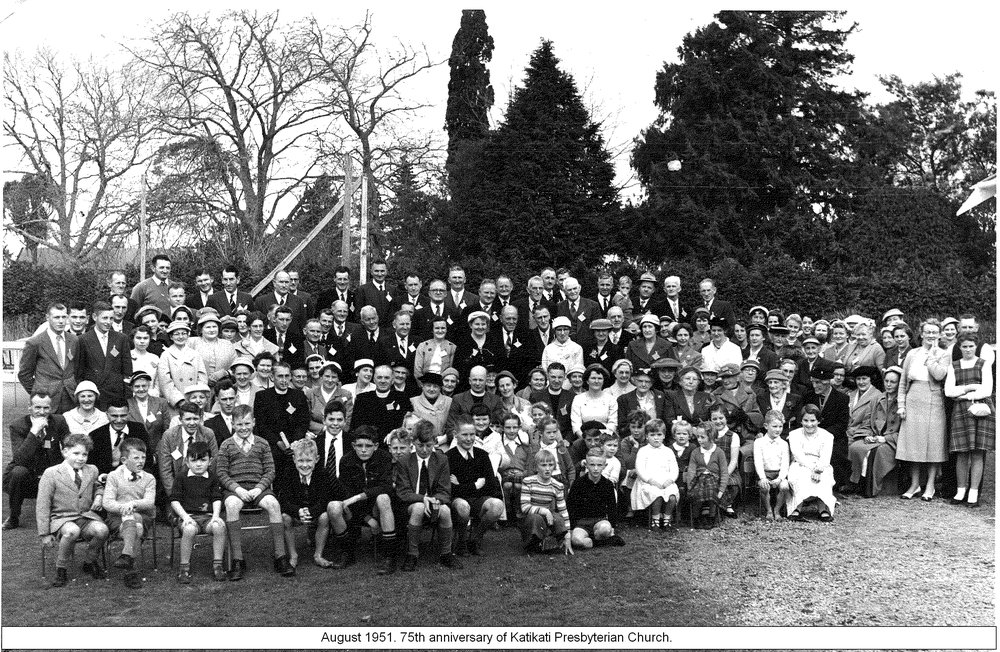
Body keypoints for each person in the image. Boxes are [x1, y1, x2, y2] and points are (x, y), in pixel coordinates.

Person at [216, 404, 295, 579]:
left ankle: (280, 556)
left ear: (253, 422)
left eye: (247, 424)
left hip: (259, 487)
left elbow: (270, 471)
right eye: (239, 424)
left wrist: (259, 487)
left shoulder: (262, 443)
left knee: (274, 505)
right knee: (231, 505)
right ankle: (238, 559)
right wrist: (237, 489)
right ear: (233, 424)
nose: (243, 428)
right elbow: (221, 473)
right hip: (236, 489)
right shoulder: (226, 445)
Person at [36, 432, 110, 586]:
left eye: (85, 454)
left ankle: (90, 561)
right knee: (72, 531)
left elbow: (98, 487)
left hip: (85, 516)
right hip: (62, 518)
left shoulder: (92, 470)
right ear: (64, 452)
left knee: (102, 530)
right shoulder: (51, 473)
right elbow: (43, 504)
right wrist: (44, 533)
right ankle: (61, 568)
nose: (81, 458)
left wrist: (98, 496)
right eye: (76, 453)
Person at [329, 425, 398, 574]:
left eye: (368, 446)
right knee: (333, 507)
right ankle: (347, 553)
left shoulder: (384, 457)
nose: (364, 450)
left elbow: (386, 487)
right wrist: (366, 518)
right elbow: (346, 494)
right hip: (355, 510)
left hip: (378, 507)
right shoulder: (346, 461)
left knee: (383, 498)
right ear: (353, 445)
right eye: (359, 446)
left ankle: (389, 556)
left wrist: (360, 496)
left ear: (376, 446)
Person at [395, 420, 462, 571]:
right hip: (411, 505)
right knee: (419, 508)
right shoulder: (405, 461)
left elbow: (445, 491)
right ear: (413, 443)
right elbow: (403, 493)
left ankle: (446, 553)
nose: (424, 450)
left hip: (435, 502)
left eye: (429, 446)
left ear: (434, 443)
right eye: (420, 445)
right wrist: (422, 499)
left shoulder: (442, 460)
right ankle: (412, 554)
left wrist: (432, 501)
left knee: (444, 510)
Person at [896, 319, 950, 501]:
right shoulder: (912, 353)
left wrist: (932, 356)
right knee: (914, 444)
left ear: (939, 334)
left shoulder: (943, 354)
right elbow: (903, 382)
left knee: (933, 444)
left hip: (933, 400)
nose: (931, 335)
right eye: (928, 332)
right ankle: (915, 484)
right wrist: (901, 405)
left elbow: (939, 375)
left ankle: (931, 486)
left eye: (935, 332)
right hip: (913, 399)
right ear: (922, 334)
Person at [3, 391, 70, 530]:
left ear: (51, 408)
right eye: (37, 407)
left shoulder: (59, 421)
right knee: (18, 472)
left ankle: (62, 515)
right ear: (29, 407)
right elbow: (20, 458)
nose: (42, 411)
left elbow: (68, 445)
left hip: (50, 473)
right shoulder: (18, 425)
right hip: (27, 476)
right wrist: (34, 431)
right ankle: (14, 516)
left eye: (46, 408)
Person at [945, 334, 995, 508]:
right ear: (960, 347)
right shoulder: (954, 366)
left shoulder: (984, 363)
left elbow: (987, 390)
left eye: (971, 346)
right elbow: (949, 391)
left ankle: (973, 494)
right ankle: (960, 491)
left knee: (977, 452)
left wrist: (965, 395)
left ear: (976, 346)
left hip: (981, 410)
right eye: (964, 347)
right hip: (961, 411)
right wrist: (971, 387)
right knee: (961, 452)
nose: (968, 350)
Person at [278, 438, 345, 569]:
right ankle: (293, 555)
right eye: (300, 461)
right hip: (297, 512)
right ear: (294, 460)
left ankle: (318, 555)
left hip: (315, 511)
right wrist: (298, 511)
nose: (304, 465)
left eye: (309, 460)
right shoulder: (287, 473)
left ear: (317, 459)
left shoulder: (323, 474)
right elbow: (284, 501)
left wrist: (311, 512)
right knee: (285, 518)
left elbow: (325, 499)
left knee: (325, 516)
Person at [169, 441, 228, 583]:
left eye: (203, 460)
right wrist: (185, 517)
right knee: (189, 530)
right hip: (188, 517)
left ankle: (218, 566)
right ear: (187, 462)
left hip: (207, 517)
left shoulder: (213, 477)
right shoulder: (181, 477)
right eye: (194, 460)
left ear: (210, 461)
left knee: (219, 526)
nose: (199, 464)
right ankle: (184, 568)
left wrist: (215, 516)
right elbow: (174, 500)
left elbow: (216, 498)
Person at [101, 437, 155, 589]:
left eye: (143, 457)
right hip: (117, 519)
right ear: (124, 460)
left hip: (142, 517)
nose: (141, 461)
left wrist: (133, 504)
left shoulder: (149, 478)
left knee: (136, 520)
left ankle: (126, 556)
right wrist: (123, 508)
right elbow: (108, 503)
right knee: (136, 527)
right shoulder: (113, 476)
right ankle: (131, 570)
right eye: (136, 458)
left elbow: (149, 502)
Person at [447, 419, 504, 556]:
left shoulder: (482, 455)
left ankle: (475, 538)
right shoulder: (448, 457)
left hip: (479, 500)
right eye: (465, 435)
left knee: (497, 506)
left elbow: (491, 485)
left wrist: (461, 485)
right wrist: (476, 485)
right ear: (456, 434)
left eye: (472, 435)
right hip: (457, 500)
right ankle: (461, 541)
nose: (469, 439)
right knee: (463, 507)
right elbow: (450, 489)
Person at [849, 366, 903, 497]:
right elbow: (867, 422)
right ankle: (857, 484)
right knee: (856, 447)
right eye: (886, 381)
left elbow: (905, 431)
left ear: (900, 383)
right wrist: (867, 435)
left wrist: (886, 439)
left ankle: (871, 488)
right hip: (875, 436)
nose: (889, 385)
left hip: (893, 441)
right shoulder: (877, 399)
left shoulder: (903, 402)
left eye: (893, 382)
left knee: (878, 452)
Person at [19, 303, 79, 413]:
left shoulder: (74, 340)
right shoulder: (35, 342)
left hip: (71, 399)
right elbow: (24, 374)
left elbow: (78, 368)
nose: (61, 321)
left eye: (64, 317)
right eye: (56, 317)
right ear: (48, 318)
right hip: (46, 402)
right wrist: (38, 393)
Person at [157, 401, 218, 497]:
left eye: (195, 419)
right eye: (188, 419)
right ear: (180, 419)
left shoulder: (208, 434)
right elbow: (165, 470)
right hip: (176, 488)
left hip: (203, 488)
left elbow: (212, 464)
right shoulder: (169, 436)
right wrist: (175, 496)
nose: (192, 423)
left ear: (201, 419)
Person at [786, 405, 836, 521]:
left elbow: (825, 457)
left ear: (818, 421)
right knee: (800, 475)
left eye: (813, 420)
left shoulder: (827, 436)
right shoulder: (794, 435)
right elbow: (798, 455)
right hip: (801, 463)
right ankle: (796, 507)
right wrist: (813, 469)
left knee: (824, 477)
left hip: (821, 465)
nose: (809, 424)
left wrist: (818, 470)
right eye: (806, 420)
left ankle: (823, 508)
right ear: (801, 421)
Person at [520, 449, 573, 555]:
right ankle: (533, 545)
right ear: (536, 467)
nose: (548, 469)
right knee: (536, 517)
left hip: (548, 518)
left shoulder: (557, 485)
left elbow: (563, 510)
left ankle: (557, 541)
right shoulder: (528, 482)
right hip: (530, 517)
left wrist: (568, 534)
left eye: (551, 465)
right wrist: (544, 511)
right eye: (543, 465)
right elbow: (525, 507)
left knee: (558, 517)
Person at [631, 419, 679, 530]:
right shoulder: (643, 451)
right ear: (647, 436)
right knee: (656, 495)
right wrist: (650, 480)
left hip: (666, 481)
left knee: (672, 495)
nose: (656, 438)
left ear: (664, 436)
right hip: (648, 481)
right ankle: (655, 519)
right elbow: (640, 469)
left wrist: (670, 480)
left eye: (659, 434)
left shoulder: (668, 451)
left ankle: (667, 519)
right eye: (652, 435)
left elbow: (674, 469)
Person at [841, 366, 884, 493]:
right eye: (858, 379)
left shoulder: (877, 396)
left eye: (864, 379)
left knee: (852, 446)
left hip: (863, 432)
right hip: (847, 429)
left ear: (871, 380)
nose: (861, 382)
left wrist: (853, 433)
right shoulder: (851, 394)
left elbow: (871, 422)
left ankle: (854, 482)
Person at [686, 423, 728, 529]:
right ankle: (696, 518)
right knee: (697, 493)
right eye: (698, 437)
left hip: (714, 481)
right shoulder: (695, 452)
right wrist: (689, 487)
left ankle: (711, 517)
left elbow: (724, 472)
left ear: (711, 437)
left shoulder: (719, 452)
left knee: (712, 492)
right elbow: (691, 470)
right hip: (698, 481)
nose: (699, 440)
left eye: (702, 437)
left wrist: (721, 490)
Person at [157, 321, 208, 408]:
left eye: (184, 333)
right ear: (171, 336)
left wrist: (196, 398)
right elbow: (165, 381)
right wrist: (179, 400)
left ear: (188, 335)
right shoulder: (166, 355)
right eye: (176, 334)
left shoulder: (195, 354)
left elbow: (202, 377)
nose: (180, 337)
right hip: (177, 403)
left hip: (195, 402)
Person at [754, 411, 791, 520]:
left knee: (784, 486)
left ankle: (777, 510)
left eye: (780, 426)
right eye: (774, 426)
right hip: (765, 473)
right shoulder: (759, 442)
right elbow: (758, 462)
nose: (778, 429)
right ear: (766, 426)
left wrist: (780, 478)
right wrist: (762, 477)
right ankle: (769, 510)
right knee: (764, 487)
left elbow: (785, 464)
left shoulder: (784, 444)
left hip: (779, 474)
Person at [570, 364, 618, 439]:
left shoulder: (611, 399)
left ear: (603, 381)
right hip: (584, 438)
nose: (596, 381)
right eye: (593, 378)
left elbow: (612, 423)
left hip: (605, 439)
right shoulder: (578, 399)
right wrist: (586, 439)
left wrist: (601, 438)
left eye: (599, 378)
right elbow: (576, 424)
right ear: (587, 381)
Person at [191, 313, 237, 388]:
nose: (212, 330)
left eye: (214, 327)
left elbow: (236, 367)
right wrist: (204, 379)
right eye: (208, 327)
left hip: (223, 387)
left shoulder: (227, 344)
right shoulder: (193, 343)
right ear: (201, 329)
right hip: (198, 387)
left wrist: (225, 373)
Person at [542, 316, 585, 385]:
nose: (562, 333)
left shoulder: (577, 348)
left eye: (565, 329)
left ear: (569, 331)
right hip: (551, 384)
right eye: (559, 330)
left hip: (571, 385)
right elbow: (545, 370)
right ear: (554, 331)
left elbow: (578, 370)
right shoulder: (548, 349)